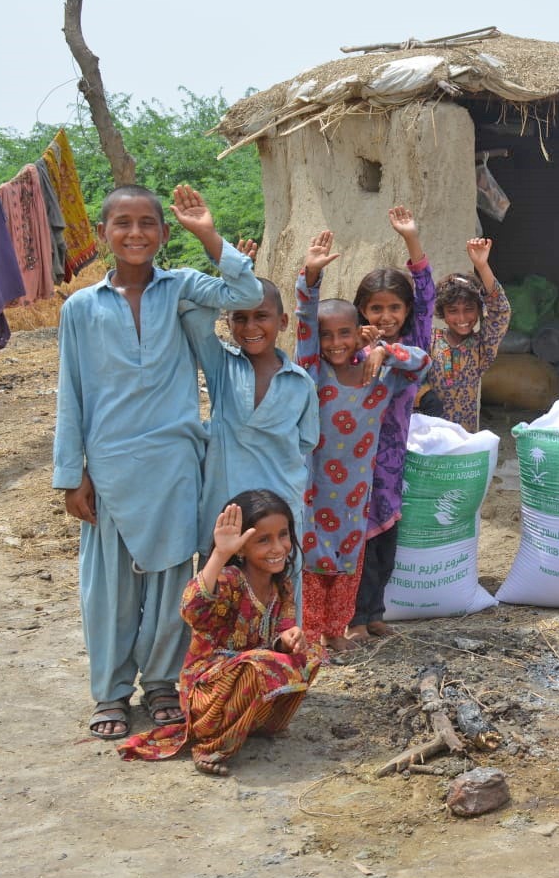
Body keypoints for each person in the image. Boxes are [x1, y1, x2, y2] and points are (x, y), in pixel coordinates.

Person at [54, 184, 263, 740]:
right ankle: (111, 691)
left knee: (173, 581)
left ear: (163, 233)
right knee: (109, 589)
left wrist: (206, 232)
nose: (136, 234)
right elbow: (70, 392)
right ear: (103, 235)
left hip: (174, 463)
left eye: (148, 223)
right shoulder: (80, 308)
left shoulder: (182, 290)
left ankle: (163, 683)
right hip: (109, 467)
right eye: (122, 223)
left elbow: (243, 289)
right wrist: (70, 474)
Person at [119, 491, 318, 776]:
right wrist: (220, 554)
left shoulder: (282, 585)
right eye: (263, 539)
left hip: (251, 680)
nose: (278, 547)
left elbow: (282, 631)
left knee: (310, 656)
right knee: (257, 664)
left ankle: (257, 723)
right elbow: (191, 608)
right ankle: (212, 746)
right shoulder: (229, 580)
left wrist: (289, 639)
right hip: (209, 694)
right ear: (241, 548)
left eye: (283, 535)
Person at [296, 231, 429, 654]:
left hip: (358, 492)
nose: (336, 343)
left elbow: (422, 359)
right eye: (328, 336)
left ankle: (340, 628)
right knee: (315, 561)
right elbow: (305, 325)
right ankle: (315, 635)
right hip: (314, 489)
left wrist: (385, 350)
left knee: (351, 560)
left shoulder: (380, 379)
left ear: (360, 333)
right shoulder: (315, 373)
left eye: (345, 335)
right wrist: (311, 277)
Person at [179, 238, 319, 600]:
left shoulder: (300, 383)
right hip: (225, 510)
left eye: (261, 315)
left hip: (279, 511)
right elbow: (192, 312)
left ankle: (278, 659)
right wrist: (233, 277)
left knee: (281, 596)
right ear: (228, 319)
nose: (250, 326)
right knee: (219, 597)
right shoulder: (221, 365)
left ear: (283, 321)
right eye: (239, 316)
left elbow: (306, 441)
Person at [351, 206, 435, 642]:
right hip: (349, 461)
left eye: (394, 307)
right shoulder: (348, 346)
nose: (385, 316)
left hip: (390, 461)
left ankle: (376, 610)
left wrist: (412, 241)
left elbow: (427, 298)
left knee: (386, 538)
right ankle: (355, 619)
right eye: (375, 308)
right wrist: (365, 347)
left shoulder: (412, 345)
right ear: (361, 310)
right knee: (358, 539)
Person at [421, 237, 510, 432]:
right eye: (453, 310)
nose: (462, 318)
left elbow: (500, 311)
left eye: (469, 309)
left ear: (479, 310)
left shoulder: (482, 347)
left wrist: (482, 265)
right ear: (442, 313)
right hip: (429, 437)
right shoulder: (429, 340)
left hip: (465, 441)